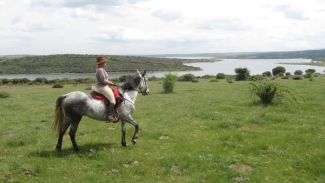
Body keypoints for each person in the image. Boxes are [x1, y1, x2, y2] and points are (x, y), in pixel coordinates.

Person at [95, 56, 117, 122]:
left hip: (104, 86)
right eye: (104, 61)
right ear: (102, 62)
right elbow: (104, 81)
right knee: (112, 100)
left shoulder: (100, 69)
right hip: (102, 87)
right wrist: (109, 82)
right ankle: (109, 116)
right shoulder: (100, 70)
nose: (105, 62)